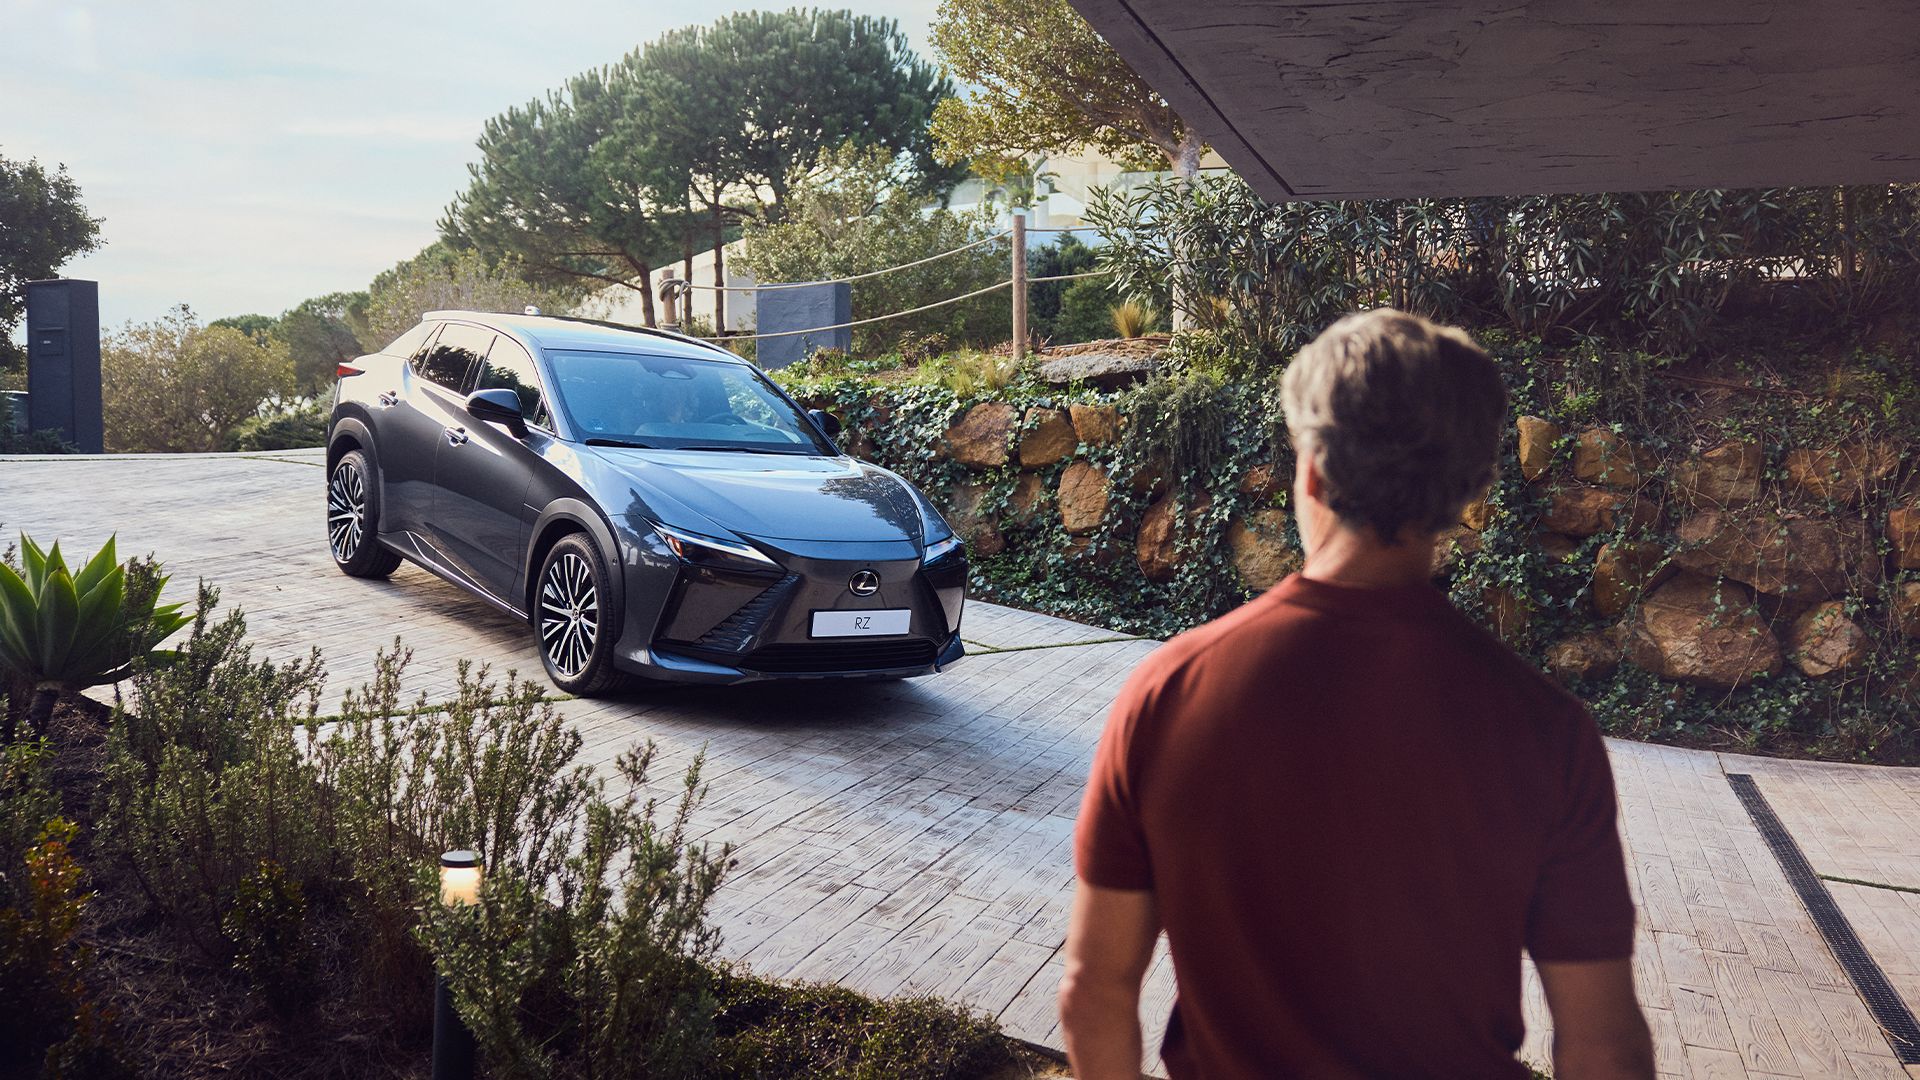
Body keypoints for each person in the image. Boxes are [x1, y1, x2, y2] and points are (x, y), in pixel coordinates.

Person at [1059, 309, 1654, 1079]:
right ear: (1469, 491)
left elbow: (1093, 990)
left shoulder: (1170, 692)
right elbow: (1603, 1044)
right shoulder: (1546, 729)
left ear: (1310, 470)